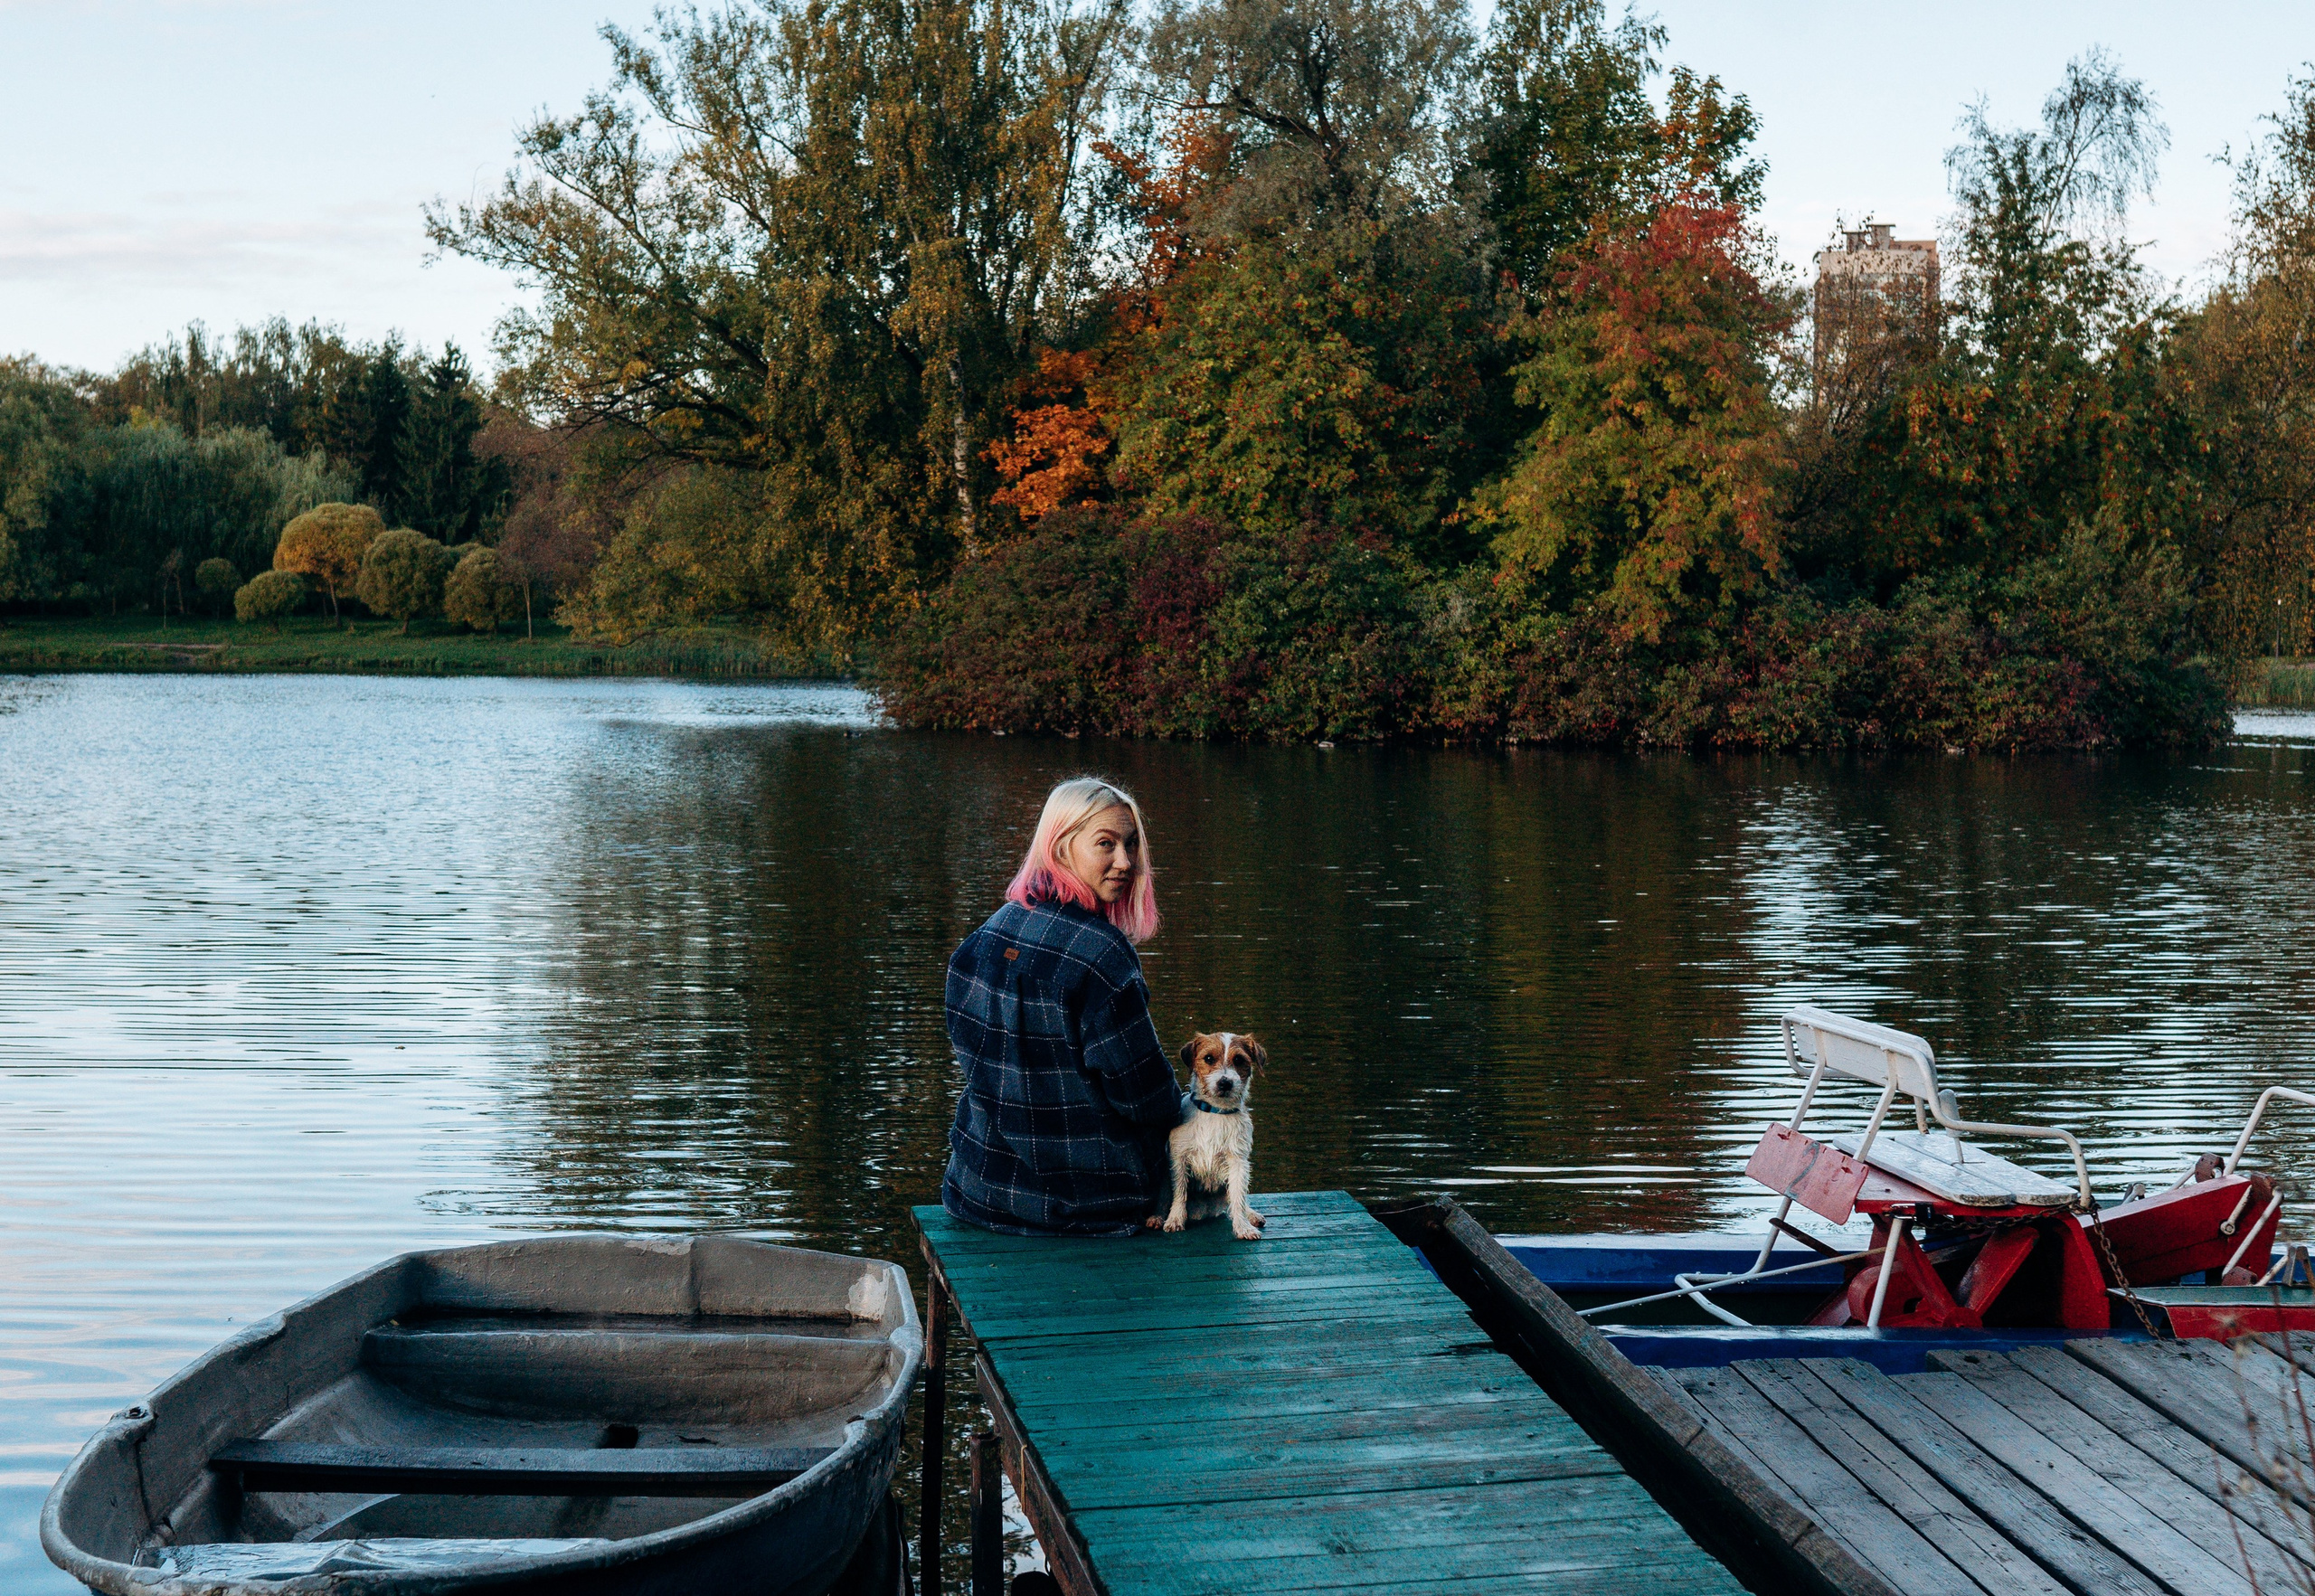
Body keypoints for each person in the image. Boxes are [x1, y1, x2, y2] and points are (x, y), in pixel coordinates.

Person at [940, 776, 1186, 1235]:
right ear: (1060, 847)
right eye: (1106, 844)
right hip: (1087, 1203)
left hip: (979, 1190)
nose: (1125, 862)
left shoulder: (983, 938)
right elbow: (1146, 1097)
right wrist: (1187, 1107)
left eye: (1131, 845)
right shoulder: (1102, 955)